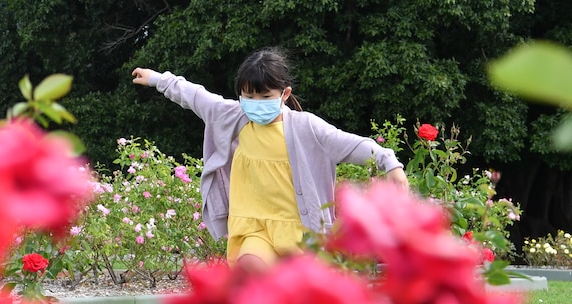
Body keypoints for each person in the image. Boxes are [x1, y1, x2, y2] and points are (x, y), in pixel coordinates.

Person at [132, 47, 409, 271]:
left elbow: (351, 145)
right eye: (248, 96)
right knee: (249, 275)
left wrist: (389, 162)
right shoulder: (233, 117)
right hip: (253, 228)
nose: (255, 102)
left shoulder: (306, 127)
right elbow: (194, 95)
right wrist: (157, 79)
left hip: (300, 233)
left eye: (265, 96)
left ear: (284, 94)